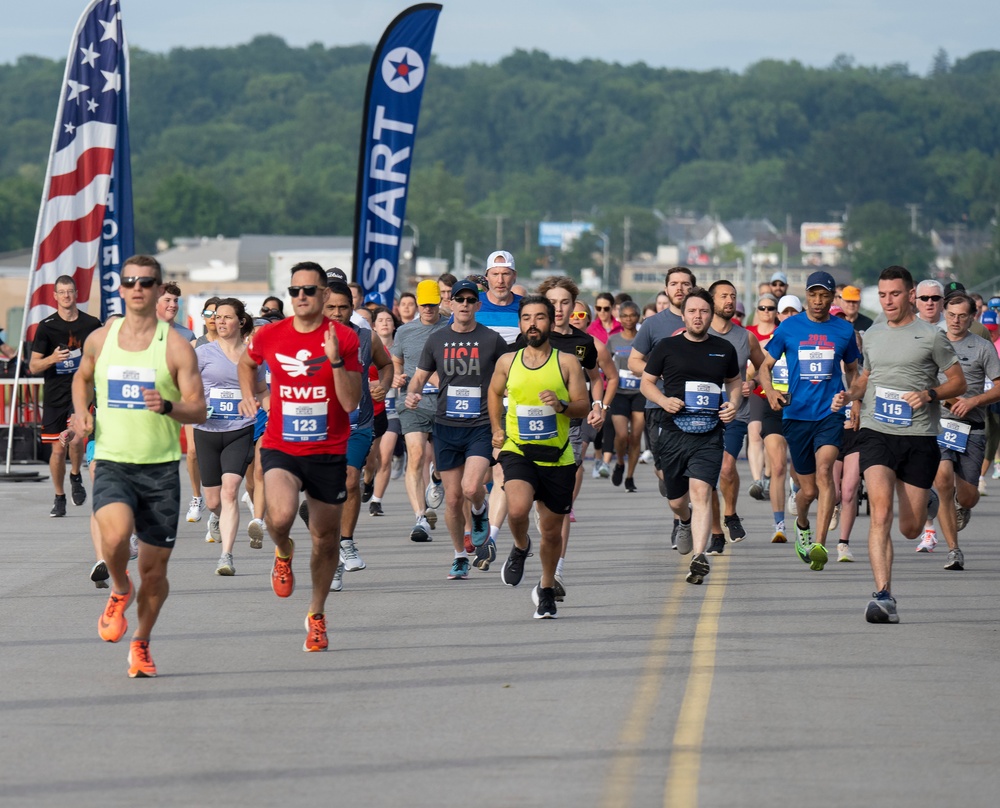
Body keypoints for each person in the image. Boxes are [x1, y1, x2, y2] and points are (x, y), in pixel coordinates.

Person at [70, 255, 207, 677]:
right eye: (129, 281)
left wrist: (168, 406)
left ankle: (142, 642)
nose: (137, 288)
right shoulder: (101, 337)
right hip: (112, 460)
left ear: (158, 288)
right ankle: (119, 588)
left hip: (161, 469)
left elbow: (199, 409)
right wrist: (83, 412)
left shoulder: (177, 346)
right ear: (121, 288)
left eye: (146, 282)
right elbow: (82, 375)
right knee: (113, 539)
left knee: (155, 570)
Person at [238, 261, 362, 652]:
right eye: (295, 291)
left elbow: (350, 401)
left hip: (327, 451)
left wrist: (336, 360)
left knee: (325, 540)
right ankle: (283, 549)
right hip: (282, 445)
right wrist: (252, 394)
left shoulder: (346, 338)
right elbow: (246, 362)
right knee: (280, 516)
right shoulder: (271, 335)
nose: (301, 297)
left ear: (326, 295)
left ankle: (317, 614)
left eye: (310, 290)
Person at [833, 265, 965, 624]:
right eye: (882, 294)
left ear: (909, 296)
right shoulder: (872, 335)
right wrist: (849, 396)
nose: (887, 301)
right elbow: (865, 378)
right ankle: (883, 595)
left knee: (909, 528)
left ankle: (927, 504)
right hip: (877, 433)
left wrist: (929, 394)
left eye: (894, 294)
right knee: (879, 512)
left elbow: (958, 382)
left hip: (919, 436)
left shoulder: (932, 336)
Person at [487, 295, 589, 618]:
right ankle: (519, 546)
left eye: (540, 317)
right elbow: (493, 392)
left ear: (551, 321)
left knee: (550, 531)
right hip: (518, 450)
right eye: (527, 318)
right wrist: (496, 429)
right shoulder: (508, 362)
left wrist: (561, 405)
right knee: (516, 509)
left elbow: (582, 406)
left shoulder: (567, 362)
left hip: (557, 456)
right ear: (520, 324)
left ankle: (545, 588)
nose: (533, 324)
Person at [406, 279, 510, 578]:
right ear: (449, 304)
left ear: (478, 305)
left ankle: (479, 512)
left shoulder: (491, 339)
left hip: (480, 425)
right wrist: (413, 392)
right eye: (459, 299)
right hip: (446, 425)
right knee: (451, 500)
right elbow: (421, 376)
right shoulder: (436, 340)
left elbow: (507, 375)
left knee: (470, 488)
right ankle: (459, 555)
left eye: (470, 300)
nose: (464, 304)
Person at [758, 271, 861, 571]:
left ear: (833, 298)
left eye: (824, 295)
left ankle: (819, 545)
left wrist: (853, 400)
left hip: (829, 414)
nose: (818, 301)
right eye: (813, 295)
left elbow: (853, 371)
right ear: (806, 296)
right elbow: (765, 365)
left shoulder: (843, 331)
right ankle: (802, 523)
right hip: (796, 415)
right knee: (808, 491)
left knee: (826, 471)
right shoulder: (790, 327)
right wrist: (772, 391)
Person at [640, 288, 742, 585]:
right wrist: (663, 401)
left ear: (712, 315)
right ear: (683, 315)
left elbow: (734, 382)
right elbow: (647, 383)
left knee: (701, 493)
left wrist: (733, 405)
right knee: (677, 501)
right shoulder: (666, 347)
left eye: (704, 311)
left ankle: (699, 556)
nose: (699, 316)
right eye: (693, 311)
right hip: (672, 432)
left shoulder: (724, 349)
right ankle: (683, 520)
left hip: (708, 434)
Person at [312, 281, 393, 591]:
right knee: (323, 497)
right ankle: (330, 554)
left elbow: (386, 364)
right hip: (317, 427)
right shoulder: (308, 338)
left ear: (352, 307)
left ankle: (346, 542)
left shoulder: (365, 337)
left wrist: (383, 385)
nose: (337, 313)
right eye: (330, 307)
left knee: (349, 480)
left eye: (343, 307)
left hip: (357, 423)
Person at [913, 293, 1000, 569]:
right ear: (944, 314)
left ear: (971, 317)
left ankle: (962, 504)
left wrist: (973, 401)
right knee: (942, 478)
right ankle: (954, 550)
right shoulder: (933, 341)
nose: (956, 320)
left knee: (968, 496)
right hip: (939, 424)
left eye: (962, 315)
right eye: (951, 314)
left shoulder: (983, 347)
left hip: (972, 427)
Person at [193, 298, 265, 576]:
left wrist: (273, 406)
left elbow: (260, 388)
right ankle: (215, 516)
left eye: (226, 317)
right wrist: (196, 404)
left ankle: (226, 556)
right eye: (216, 317)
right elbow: (187, 386)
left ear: (241, 321)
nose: (220, 321)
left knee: (231, 490)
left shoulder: (252, 354)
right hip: (207, 430)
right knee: (213, 501)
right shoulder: (203, 353)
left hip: (240, 428)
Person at [29, 274, 103, 517]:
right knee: (57, 450)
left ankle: (75, 475)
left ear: (76, 294)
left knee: (74, 438)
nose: (67, 296)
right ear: (55, 296)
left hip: (81, 392)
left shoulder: (91, 323)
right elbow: (33, 366)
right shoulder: (47, 326)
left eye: (70, 291)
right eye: (62, 292)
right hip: (55, 393)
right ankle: (59, 495)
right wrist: (53, 358)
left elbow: (104, 355)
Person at [705, 280, 766, 553]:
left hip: (735, 413)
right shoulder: (697, 333)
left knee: (727, 467)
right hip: (703, 413)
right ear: (711, 301)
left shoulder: (745, 337)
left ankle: (730, 515)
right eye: (723, 296)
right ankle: (717, 532)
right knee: (710, 474)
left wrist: (752, 385)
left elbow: (764, 367)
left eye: (733, 296)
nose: (729, 301)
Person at [391, 280, 449, 542]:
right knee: (415, 456)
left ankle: (436, 478)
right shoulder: (404, 331)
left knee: (444, 461)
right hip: (412, 401)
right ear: (417, 303)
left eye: (432, 304)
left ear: (439, 302)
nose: (428, 309)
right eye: (423, 304)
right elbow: (396, 360)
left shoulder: (449, 327)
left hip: (445, 402)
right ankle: (420, 518)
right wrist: (396, 377)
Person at [607, 301, 645, 490]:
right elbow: (604, 364)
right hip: (620, 392)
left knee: (636, 436)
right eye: (625, 316)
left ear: (637, 317)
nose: (629, 319)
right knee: (622, 435)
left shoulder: (644, 338)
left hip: (640, 392)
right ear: (619, 318)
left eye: (632, 315)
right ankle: (620, 462)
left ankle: (630, 477)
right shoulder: (613, 340)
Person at [367, 307, 400, 517]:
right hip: (367, 409)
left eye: (389, 320)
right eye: (381, 320)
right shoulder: (366, 346)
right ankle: (368, 479)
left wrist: (399, 380)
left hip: (393, 408)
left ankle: (376, 501)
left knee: (385, 456)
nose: (385, 323)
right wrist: (378, 384)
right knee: (370, 458)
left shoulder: (400, 347)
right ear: (374, 326)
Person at [745, 293, 779, 500]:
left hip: (777, 389)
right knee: (754, 432)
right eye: (762, 308)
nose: (766, 312)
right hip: (756, 389)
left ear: (776, 312)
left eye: (770, 308)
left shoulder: (782, 332)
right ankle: (757, 480)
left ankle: (767, 475)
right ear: (756, 311)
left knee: (771, 438)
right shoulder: (748, 333)